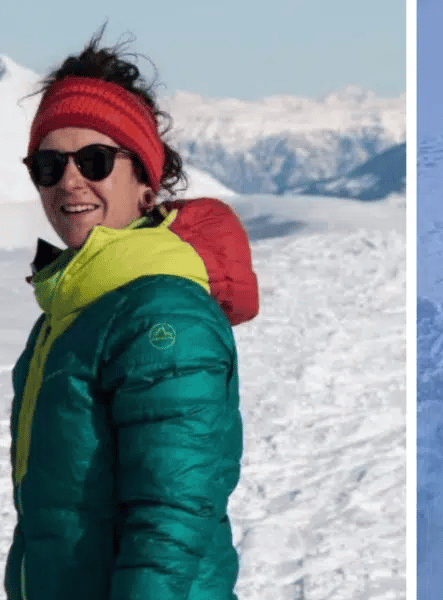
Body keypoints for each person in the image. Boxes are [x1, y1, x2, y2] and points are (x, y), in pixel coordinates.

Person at [6, 28, 259, 600]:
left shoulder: (161, 311)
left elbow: (171, 517)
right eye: (48, 164)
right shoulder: (75, 308)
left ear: (146, 183)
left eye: (94, 160)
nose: (69, 180)